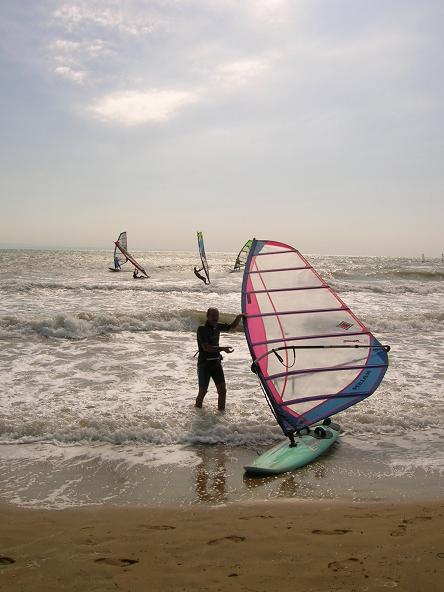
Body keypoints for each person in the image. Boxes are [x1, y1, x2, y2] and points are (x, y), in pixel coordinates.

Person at [195, 307, 243, 411]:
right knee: (203, 391)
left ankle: (221, 416)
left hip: (216, 363)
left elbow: (231, 327)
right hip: (204, 364)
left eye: (217, 316)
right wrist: (222, 349)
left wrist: (239, 317)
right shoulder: (202, 329)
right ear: (207, 316)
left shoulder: (217, 326)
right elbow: (206, 348)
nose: (215, 318)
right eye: (213, 316)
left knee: (222, 391)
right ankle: (197, 416)